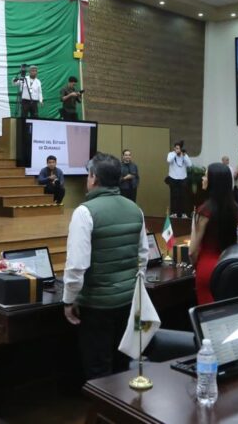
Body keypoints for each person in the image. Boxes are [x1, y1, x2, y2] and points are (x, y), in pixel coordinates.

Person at [62, 152, 149, 380]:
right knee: (121, 366)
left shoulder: (84, 212)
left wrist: (69, 300)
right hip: (128, 301)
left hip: (97, 306)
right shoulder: (135, 209)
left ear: (94, 178)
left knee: (98, 371)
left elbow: (77, 266)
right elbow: (143, 256)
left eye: (88, 175)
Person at [190, 163, 238, 305]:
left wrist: (195, 266)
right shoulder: (233, 208)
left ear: (213, 181)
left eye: (205, 176)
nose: (202, 179)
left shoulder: (205, 210)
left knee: (209, 313)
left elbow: (192, 251)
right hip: (228, 265)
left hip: (207, 267)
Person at [165, 141, 192, 218]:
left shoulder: (184, 155)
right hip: (173, 178)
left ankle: (183, 213)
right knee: (174, 196)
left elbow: (190, 164)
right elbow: (168, 160)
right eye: (176, 148)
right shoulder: (171, 154)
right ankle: (174, 213)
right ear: (174, 148)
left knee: (183, 196)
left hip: (183, 178)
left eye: (179, 148)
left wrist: (184, 156)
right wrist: (175, 154)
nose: (178, 150)